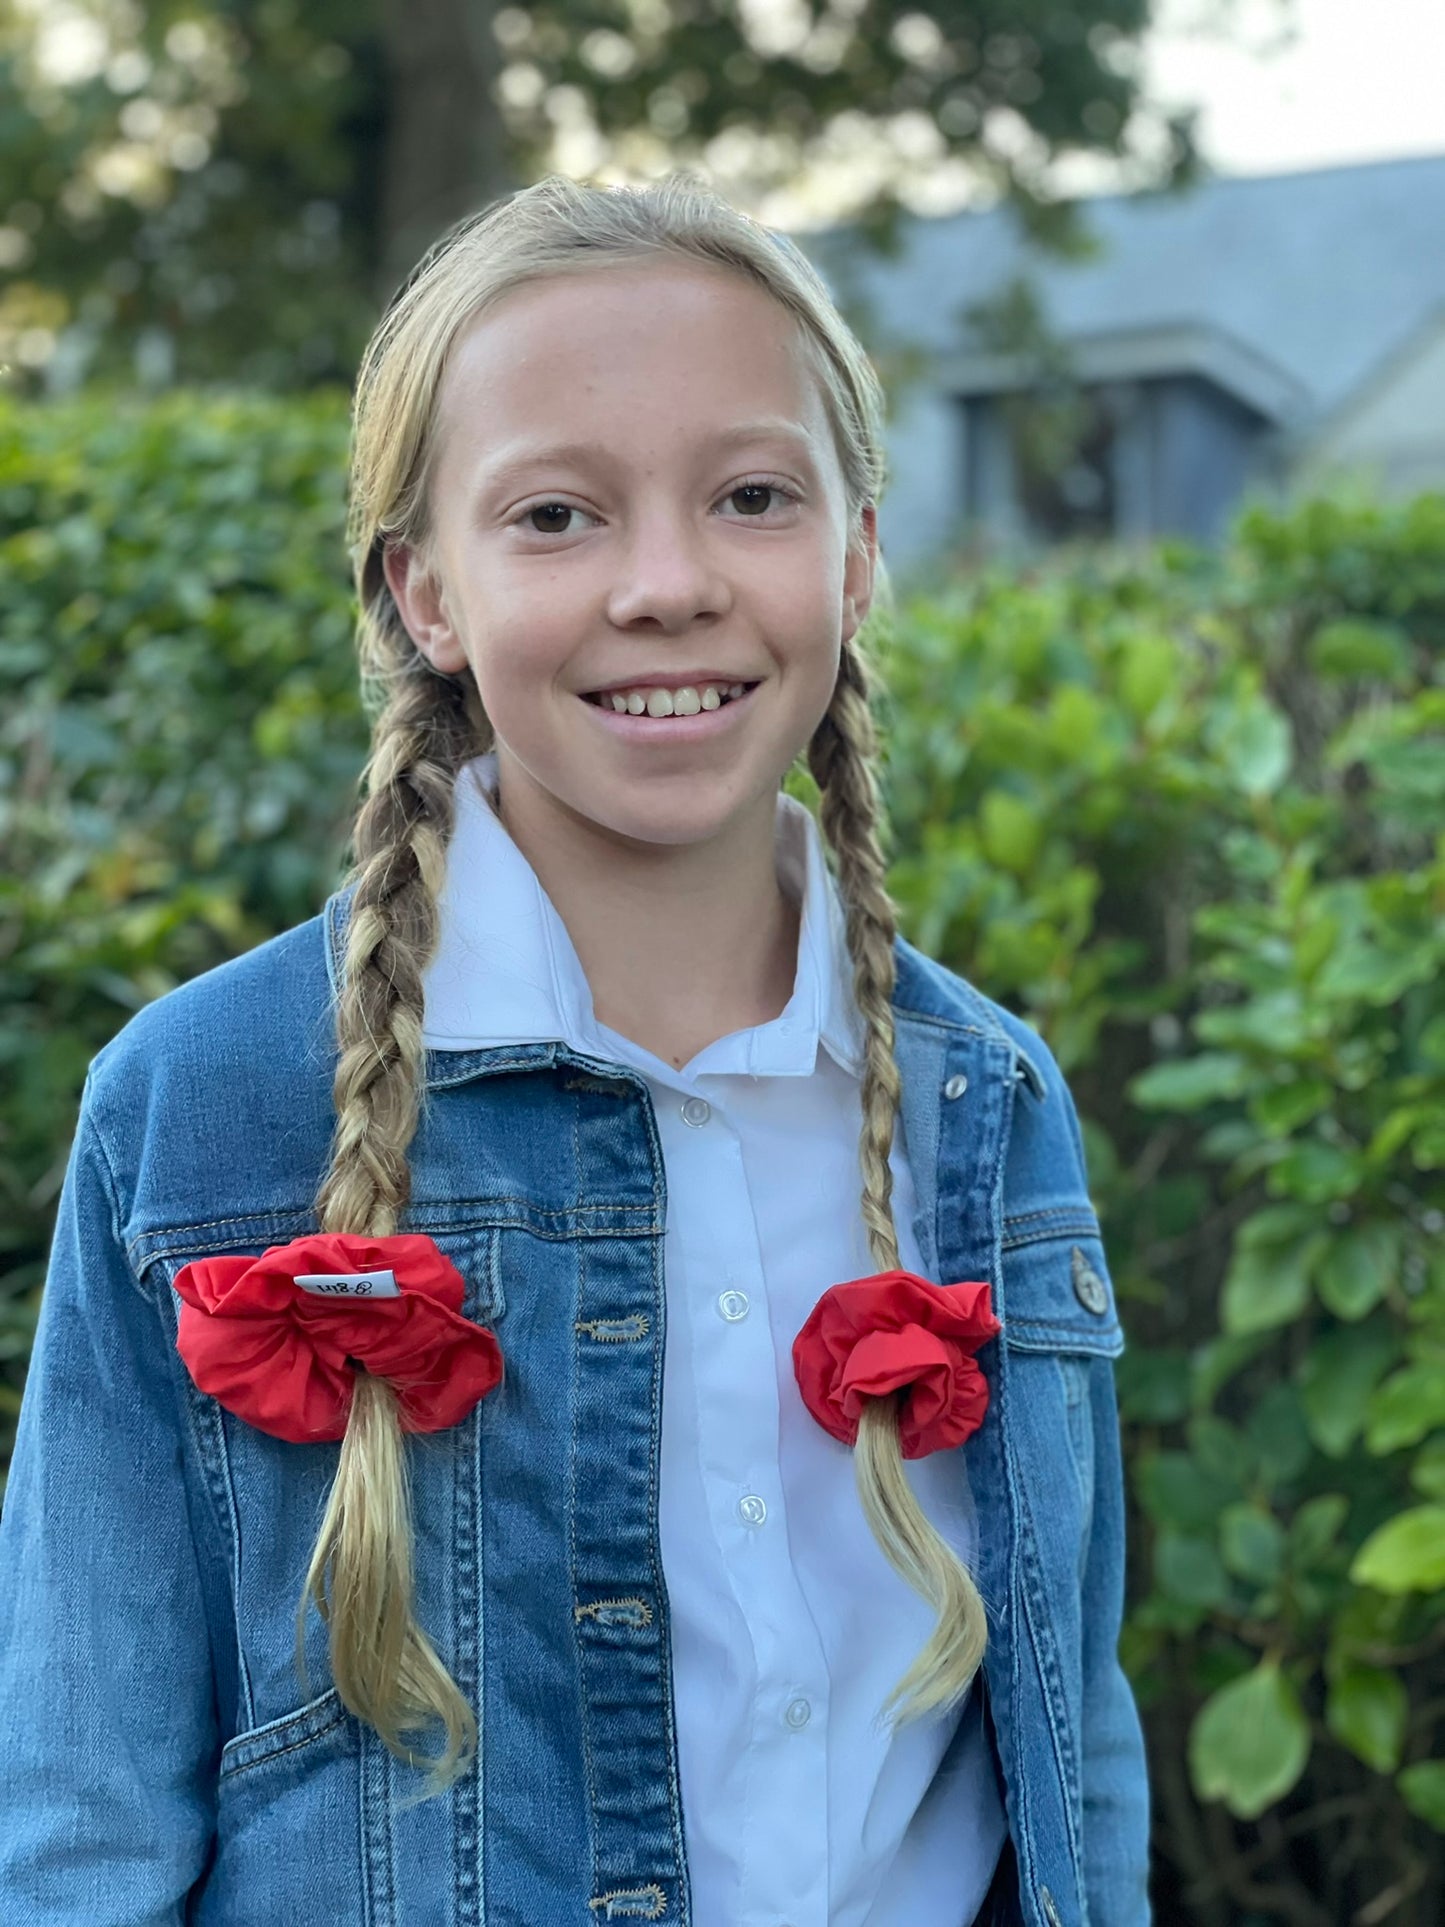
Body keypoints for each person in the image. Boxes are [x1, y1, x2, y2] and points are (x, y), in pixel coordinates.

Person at [0, 171, 1149, 1927]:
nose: (668, 585)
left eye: (751, 495)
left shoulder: (987, 1106)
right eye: (554, 516)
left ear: (852, 555)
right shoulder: (202, 1107)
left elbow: (1068, 1748)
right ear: (426, 594)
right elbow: (81, 1815)